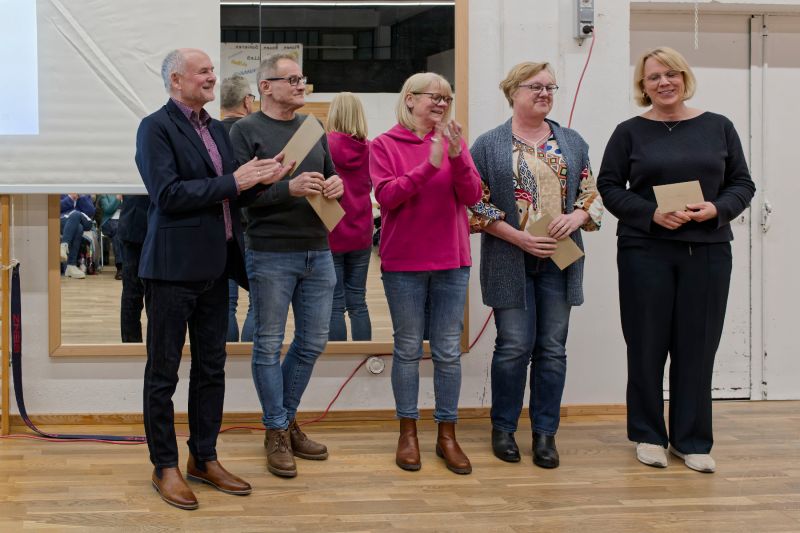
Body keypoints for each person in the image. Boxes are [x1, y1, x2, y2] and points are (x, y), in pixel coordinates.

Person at [136, 48, 288, 509]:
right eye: (202, 71)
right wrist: (236, 182)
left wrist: (265, 179)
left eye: (212, 71)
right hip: (172, 271)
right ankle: (165, 465)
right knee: (163, 373)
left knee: (211, 369)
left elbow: (231, 197)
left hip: (217, 268)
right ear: (176, 80)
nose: (211, 78)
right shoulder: (155, 128)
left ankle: (204, 457)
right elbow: (167, 194)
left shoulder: (219, 130)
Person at [597, 47, 755, 473]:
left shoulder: (719, 127)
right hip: (644, 250)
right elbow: (608, 187)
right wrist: (651, 213)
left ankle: (692, 440)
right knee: (646, 344)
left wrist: (717, 209)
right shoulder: (629, 132)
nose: (664, 82)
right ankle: (648, 435)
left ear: (684, 78)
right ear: (643, 86)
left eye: (671, 74)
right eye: (654, 77)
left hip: (707, 251)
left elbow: (742, 183)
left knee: (698, 346)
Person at [470, 62, 603, 469]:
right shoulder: (488, 144)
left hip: (561, 261)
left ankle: (545, 434)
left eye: (551, 87)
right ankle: (503, 429)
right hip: (509, 259)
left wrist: (577, 217)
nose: (545, 93)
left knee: (552, 349)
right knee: (513, 347)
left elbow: (591, 195)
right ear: (513, 92)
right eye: (535, 86)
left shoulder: (571, 141)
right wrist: (520, 237)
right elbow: (475, 205)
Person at [229, 54, 343, 479]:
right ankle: (277, 429)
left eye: (302, 78)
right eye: (291, 79)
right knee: (268, 343)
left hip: (318, 248)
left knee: (313, 341)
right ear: (266, 87)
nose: (300, 85)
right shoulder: (244, 131)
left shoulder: (313, 127)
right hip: (270, 251)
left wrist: (336, 185)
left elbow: (330, 176)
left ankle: (283, 420)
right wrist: (287, 189)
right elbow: (240, 199)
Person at [370, 72, 482, 474]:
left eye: (446, 98)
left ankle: (447, 435)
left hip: (452, 260)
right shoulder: (384, 144)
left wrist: (454, 155)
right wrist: (429, 165)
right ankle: (408, 433)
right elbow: (387, 196)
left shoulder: (455, 142)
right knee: (407, 349)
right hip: (404, 262)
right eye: (434, 96)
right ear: (410, 99)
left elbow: (472, 195)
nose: (441, 104)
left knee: (448, 351)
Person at [326, 92, 373, 341]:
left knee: (334, 304)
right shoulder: (370, 148)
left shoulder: (324, 144)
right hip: (362, 231)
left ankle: (338, 356)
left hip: (332, 231)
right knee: (358, 302)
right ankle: (362, 354)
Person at [220, 75, 256, 342]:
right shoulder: (256, 133)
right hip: (255, 227)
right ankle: (250, 358)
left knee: (226, 303)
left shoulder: (210, 134)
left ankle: (227, 358)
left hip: (223, 227)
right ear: (247, 101)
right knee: (258, 302)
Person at [118, 194, 149, 343]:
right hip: (135, 226)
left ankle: (155, 349)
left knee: (159, 297)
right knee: (132, 295)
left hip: (159, 226)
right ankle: (130, 347)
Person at [59, 193, 96, 279]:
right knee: (78, 228)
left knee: (76, 214)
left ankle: (63, 246)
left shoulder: (84, 193)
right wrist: (70, 198)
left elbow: (91, 211)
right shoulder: (61, 190)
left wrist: (81, 197)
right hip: (64, 220)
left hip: (83, 219)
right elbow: (57, 207)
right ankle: (70, 266)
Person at [97, 194, 124, 279]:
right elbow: (108, 209)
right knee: (117, 230)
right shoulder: (104, 194)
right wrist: (117, 199)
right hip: (109, 222)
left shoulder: (127, 193)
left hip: (124, 221)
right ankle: (120, 267)